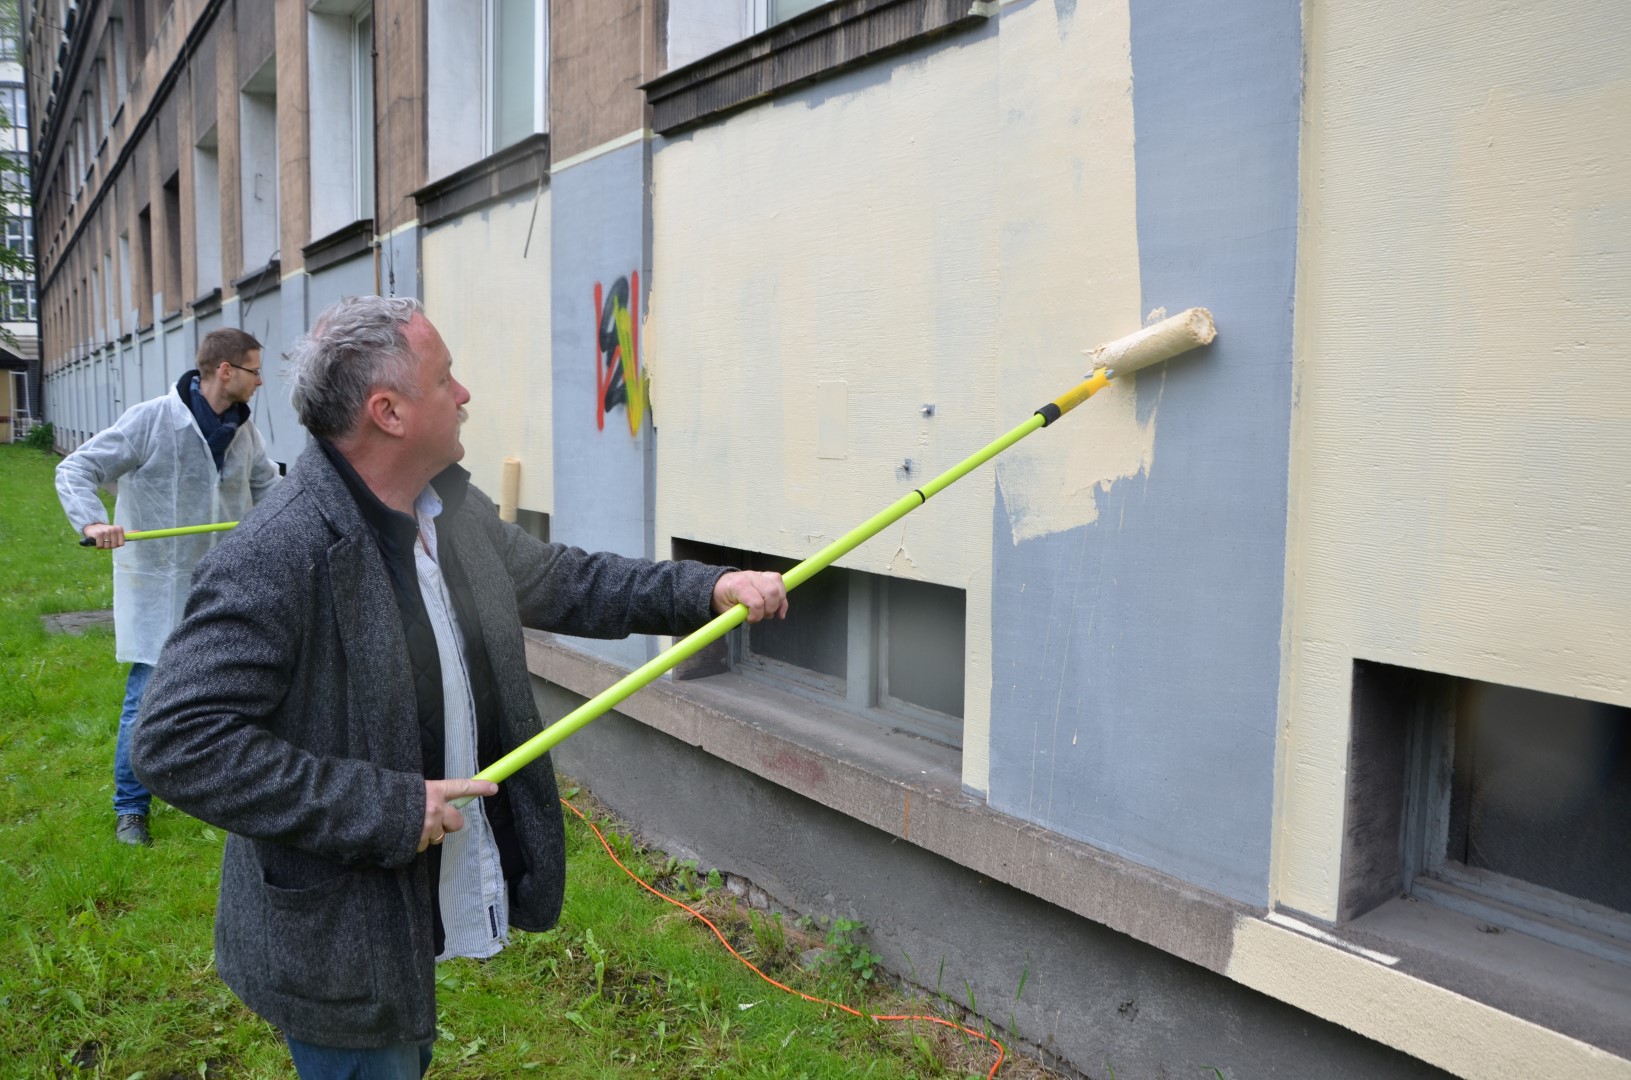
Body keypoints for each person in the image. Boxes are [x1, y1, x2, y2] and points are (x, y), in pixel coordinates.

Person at [132, 295, 787, 1078]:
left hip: (404, 905)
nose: (465, 393)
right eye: (445, 378)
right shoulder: (278, 551)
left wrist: (706, 588)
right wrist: (383, 807)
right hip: (334, 935)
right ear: (388, 412)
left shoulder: (448, 509)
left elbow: (562, 580)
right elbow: (176, 741)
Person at [56, 327, 281, 847]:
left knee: (229, 695)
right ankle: (131, 809)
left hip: (222, 585)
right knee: (148, 697)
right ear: (225, 370)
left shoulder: (244, 431)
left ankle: (219, 795)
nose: (260, 381)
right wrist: (93, 522)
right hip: (158, 586)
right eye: (254, 370)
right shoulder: (152, 420)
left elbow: (270, 491)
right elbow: (77, 468)